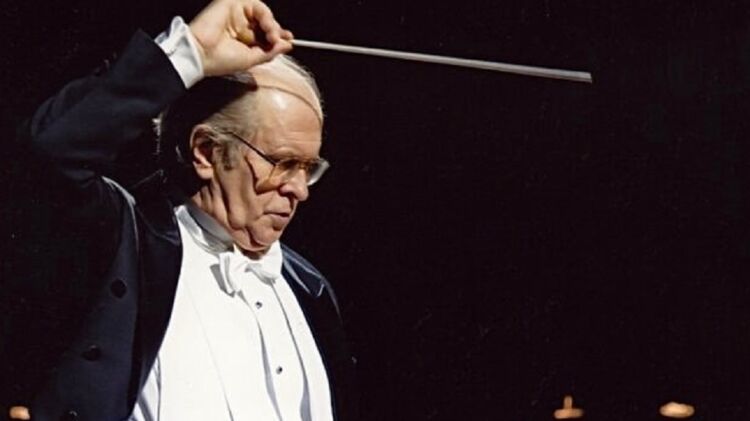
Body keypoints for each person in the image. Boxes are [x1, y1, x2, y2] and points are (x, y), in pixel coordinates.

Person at [1, 0, 356, 420]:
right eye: (282, 163)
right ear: (206, 152)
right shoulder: (122, 248)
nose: (299, 189)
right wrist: (192, 53)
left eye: (308, 168)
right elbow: (52, 152)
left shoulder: (309, 288)